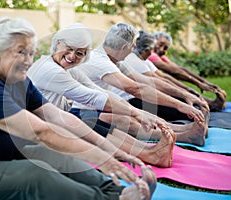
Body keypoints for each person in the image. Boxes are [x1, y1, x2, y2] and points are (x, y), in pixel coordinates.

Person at [0, 16, 156, 200]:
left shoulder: (18, 81)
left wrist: (109, 149)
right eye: (20, 52)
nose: (28, 60)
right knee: (32, 175)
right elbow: (40, 132)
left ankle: (117, 193)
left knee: (49, 153)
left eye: (31, 52)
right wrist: (103, 159)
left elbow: (58, 117)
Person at [27, 23, 176, 168]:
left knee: (88, 116)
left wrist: (140, 113)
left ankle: (149, 151)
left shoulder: (64, 67)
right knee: (83, 120)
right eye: (69, 48)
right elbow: (92, 97)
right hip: (38, 135)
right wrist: (137, 113)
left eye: (79, 53)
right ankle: (149, 154)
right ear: (58, 43)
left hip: (53, 124)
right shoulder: (50, 70)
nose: (72, 56)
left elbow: (99, 91)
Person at [77, 23, 207, 146]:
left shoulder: (113, 60)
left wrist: (184, 95)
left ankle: (185, 129)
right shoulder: (99, 62)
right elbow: (135, 89)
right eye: (133, 45)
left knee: (133, 114)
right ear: (124, 47)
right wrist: (179, 104)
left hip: (100, 107)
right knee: (126, 119)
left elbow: (148, 81)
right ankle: (184, 136)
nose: (134, 49)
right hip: (82, 112)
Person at [118, 30, 210, 145]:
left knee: (187, 104)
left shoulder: (134, 60)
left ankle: (190, 129)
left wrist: (187, 93)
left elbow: (159, 80)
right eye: (152, 49)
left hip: (132, 98)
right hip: (130, 101)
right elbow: (150, 84)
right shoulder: (131, 59)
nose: (153, 53)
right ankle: (188, 132)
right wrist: (183, 98)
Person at [148, 31, 227, 111]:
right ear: (154, 40)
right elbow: (174, 72)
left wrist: (204, 82)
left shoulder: (159, 55)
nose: (161, 49)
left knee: (171, 82)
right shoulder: (150, 54)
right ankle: (210, 103)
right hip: (150, 89)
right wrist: (198, 83)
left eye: (165, 48)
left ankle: (209, 103)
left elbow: (179, 69)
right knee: (169, 82)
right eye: (160, 44)